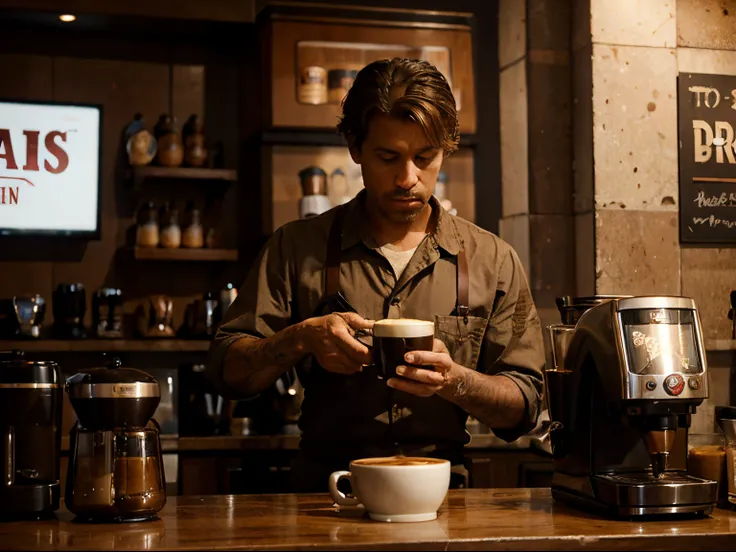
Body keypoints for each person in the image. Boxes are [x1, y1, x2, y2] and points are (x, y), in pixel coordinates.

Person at [206, 57, 545, 493]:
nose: (408, 179)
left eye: (425, 158)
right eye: (389, 157)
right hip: (326, 494)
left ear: (447, 149)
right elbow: (227, 372)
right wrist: (300, 338)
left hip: (443, 496)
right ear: (355, 147)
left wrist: (454, 380)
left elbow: (525, 405)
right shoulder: (295, 247)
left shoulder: (491, 259)